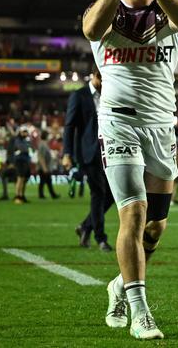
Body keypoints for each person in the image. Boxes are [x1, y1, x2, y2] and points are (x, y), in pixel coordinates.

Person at [84, 0, 178, 340]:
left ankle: (119, 283)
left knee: (156, 227)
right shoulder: (106, 14)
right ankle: (139, 310)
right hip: (118, 122)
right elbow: (90, 29)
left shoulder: (168, 17)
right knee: (132, 214)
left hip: (161, 127)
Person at [62, 65, 114, 252]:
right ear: (96, 75)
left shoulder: (109, 94)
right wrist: (67, 153)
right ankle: (100, 238)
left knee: (111, 194)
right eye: (103, 80)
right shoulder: (79, 95)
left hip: (109, 151)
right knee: (98, 193)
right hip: (89, 153)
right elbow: (69, 126)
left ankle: (85, 226)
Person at [37, 130, 59, 200]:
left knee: (45, 181)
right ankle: (49, 194)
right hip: (43, 167)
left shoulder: (44, 144)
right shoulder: (42, 145)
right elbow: (41, 157)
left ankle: (46, 194)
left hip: (45, 166)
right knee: (45, 181)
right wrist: (44, 168)